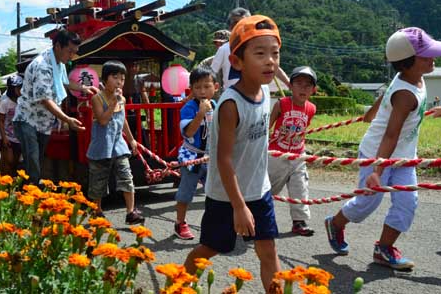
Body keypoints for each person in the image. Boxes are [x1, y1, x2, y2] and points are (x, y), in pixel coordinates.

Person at [324, 27, 441, 270]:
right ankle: (335, 223)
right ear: (408, 63)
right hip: (377, 155)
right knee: (367, 203)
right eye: (427, 55)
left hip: (404, 157)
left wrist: (370, 113)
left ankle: (384, 249)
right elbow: (390, 134)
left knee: (408, 202)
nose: (433, 58)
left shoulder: (411, 78)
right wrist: (378, 169)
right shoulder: (404, 95)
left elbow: (387, 92)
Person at [184, 15, 283, 291]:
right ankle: (179, 286)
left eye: (274, 53)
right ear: (237, 62)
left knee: (268, 251)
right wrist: (239, 207)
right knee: (209, 249)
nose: (270, 61)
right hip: (226, 197)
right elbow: (223, 159)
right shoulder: (230, 104)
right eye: (260, 54)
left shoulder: (266, 92)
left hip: (258, 191)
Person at [13, 29, 98, 185]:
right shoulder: (42, 65)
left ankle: (25, 195)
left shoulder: (59, 62)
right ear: (58, 46)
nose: (72, 55)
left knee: (36, 160)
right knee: (33, 161)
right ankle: (29, 199)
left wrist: (83, 89)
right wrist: (66, 119)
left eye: (75, 52)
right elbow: (46, 99)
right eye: (70, 51)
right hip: (27, 120)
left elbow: (64, 82)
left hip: (43, 123)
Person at [86, 60, 144, 224]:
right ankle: (97, 211)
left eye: (122, 78)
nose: (119, 82)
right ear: (104, 79)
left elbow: (123, 120)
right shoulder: (97, 98)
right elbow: (103, 120)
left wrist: (132, 140)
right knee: (98, 182)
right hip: (101, 148)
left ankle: (131, 212)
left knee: (127, 177)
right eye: (115, 77)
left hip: (119, 146)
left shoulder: (122, 100)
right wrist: (113, 102)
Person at [268, 66, 317, 236]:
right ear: (290, 86)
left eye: (307, 85)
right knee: (269, 189)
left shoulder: (311, 108)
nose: (303, 88)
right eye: (298, 83)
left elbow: (303, 130)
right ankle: (257, 216)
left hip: (298, 155)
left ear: (313, 89)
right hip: (276, 154)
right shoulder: (282, 104)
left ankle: (299, 221)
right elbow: (268, 125)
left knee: (300, 186)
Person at [174, 67, 219, 240]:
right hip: (191, 156)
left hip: (211, 156)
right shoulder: (188, 108)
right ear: (191, 89)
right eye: (197, 87)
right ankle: (180, 222)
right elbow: (189, 133)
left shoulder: (216, 106)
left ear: (215, 87)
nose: (202, 91)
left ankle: (214, 222)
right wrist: (200, 113)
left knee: (215, 191)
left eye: (206, 86)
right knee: (186, 191)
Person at [211, 7, 290, 92]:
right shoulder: (224, 49)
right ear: (231, 27)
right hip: (234, 94)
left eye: (246, 24)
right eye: (237, 24)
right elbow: (212, 72)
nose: (241, 27)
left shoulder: (265, 91)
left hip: (259, 94)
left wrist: (289, 83)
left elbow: (274, 67)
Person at [0, 74, 23, 176]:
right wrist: (4, 138)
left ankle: (11, 183)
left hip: (18, 137)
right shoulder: (5, 103)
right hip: (7, 136)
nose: (20, 90)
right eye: (17, 88)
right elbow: (1, 121)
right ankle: (3, 178)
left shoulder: (22, 102)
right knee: (8, 160)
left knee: (15, 162)